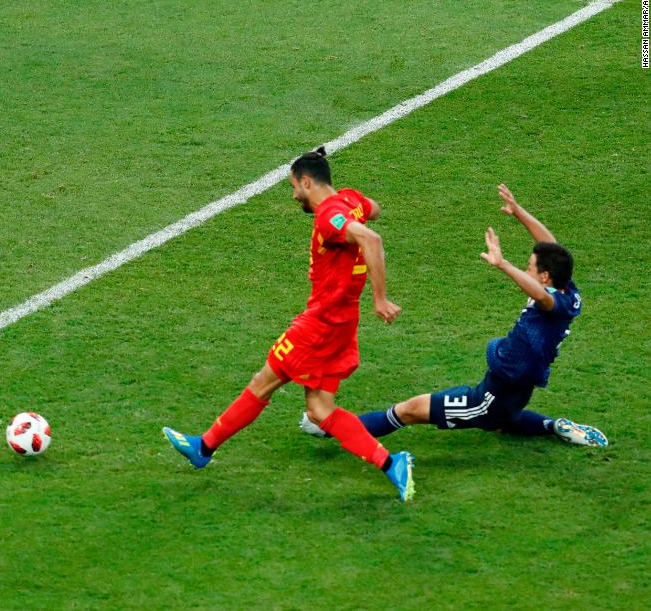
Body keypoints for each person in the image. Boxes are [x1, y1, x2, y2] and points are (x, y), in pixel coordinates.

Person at [162, 147, 416, 501]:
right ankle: (392, 464)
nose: (294, 194)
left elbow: (371, 238)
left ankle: (203, 448)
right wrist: (352, 211)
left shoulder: (329, 216)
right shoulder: (348, 200)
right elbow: (373, 210)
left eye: (294, 186)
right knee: (320, 410)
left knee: (263, 383)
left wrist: (380, 297)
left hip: (321, 325)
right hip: (342, 323)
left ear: (307, 181)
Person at [301, 184, 607, 447]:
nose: (527, 269)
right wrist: (519, 212)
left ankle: (326, 427)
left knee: (409, 410)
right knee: (501, 419)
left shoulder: (551, 301)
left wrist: (503, 265)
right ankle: (553, 426)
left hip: (494, 392)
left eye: (530, 267)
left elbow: (539, 295)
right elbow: (551, 247)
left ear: (545, 277)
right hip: (514, 386)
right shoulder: (569, 291)